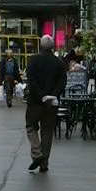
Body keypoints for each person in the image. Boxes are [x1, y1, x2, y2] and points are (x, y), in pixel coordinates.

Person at [25, 34, 68, 172]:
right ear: (52, 47)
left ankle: (37, 153)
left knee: (31, 126)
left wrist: (41, 95)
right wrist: (53, 95)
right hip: (52, 104)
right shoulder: (59, 63)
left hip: (35, 102)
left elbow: (31, 81)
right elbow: (62, 82)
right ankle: (44, 163)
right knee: (47, 131)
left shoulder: (33, 61)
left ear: (41, 46)